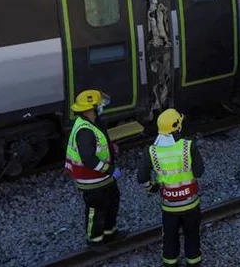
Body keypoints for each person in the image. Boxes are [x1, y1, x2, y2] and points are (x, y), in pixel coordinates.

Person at [137, 108, 205, 266]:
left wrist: (151, 187)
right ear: (177, 127)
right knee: (192, 234)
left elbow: (142, 177)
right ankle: (193, 262)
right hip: (191, 203)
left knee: (170, 237)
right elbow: (199, 172)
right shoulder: (189, 146)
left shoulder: (152, 151)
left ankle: (170, 263)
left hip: (169, 207)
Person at [63, 89, 127, 252]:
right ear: (90, 108)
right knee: (96, 209)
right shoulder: (84, 130)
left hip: (102, 177)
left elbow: (99, 142)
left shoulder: (94, 122)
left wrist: (111, 148)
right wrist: (109, 170)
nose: (101, 107)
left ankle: (109, 232)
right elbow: (88, 159)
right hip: (91, 179)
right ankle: (94, 240)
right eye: (99, 105)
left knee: (112, 201)